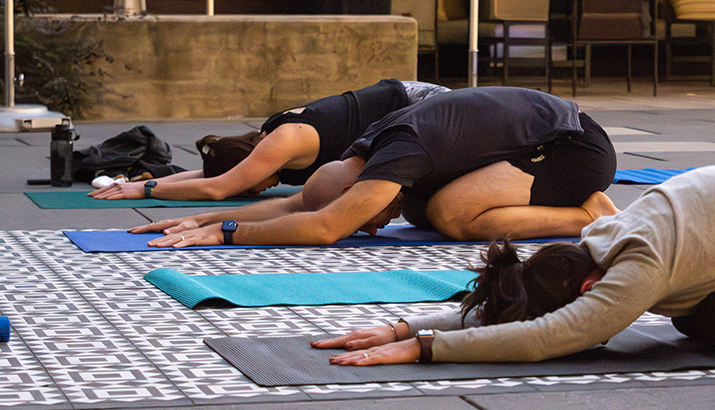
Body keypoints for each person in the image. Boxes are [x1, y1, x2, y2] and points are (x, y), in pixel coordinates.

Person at [312, 156, 715, 367]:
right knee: (695, 318)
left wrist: (426, 349)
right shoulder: (600, 239)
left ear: (588, 287)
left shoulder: (639, 263)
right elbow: (527, 308)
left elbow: (549, 334)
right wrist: (405, 325)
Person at [132, 86, 618, 248]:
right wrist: (200, 218)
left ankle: (587, 215)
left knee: (450, 214)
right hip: (535, 138)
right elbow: (299, 205)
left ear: (361, 189)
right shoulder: (363, 153)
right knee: (422, 212)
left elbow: (325, 227)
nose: (371, 227)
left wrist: (227, 233)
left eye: (362, 217)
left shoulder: (397, 157)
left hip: (572, 149)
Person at [88, 79, 449, 201]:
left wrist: (146, 191)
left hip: (421, 105)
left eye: (251, 187)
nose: (258, 190)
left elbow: (218, 188)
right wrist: (143, 181)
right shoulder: (264, 149)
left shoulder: (283, 142)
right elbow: (215, 177)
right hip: (403, 117)